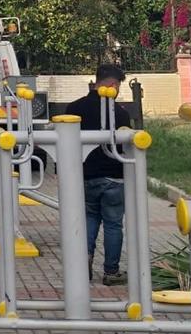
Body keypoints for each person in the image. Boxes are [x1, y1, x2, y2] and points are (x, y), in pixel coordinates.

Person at [64, 63, 130, 286]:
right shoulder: (120, 113)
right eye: (118, 86)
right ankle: (111, 271)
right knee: (113, 225)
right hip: (114, 178)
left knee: (89, 219)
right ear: (112, 85)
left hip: (84, 175)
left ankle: (84, 263)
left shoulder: (74, 108)